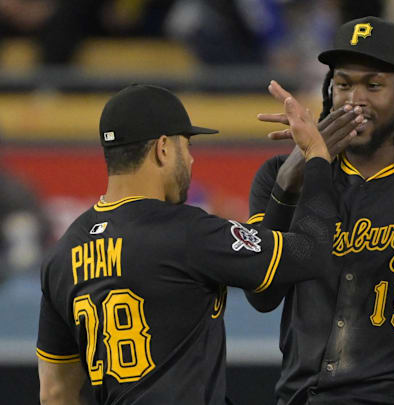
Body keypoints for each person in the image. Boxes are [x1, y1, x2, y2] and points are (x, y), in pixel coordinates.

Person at [244, 16, 394, 405]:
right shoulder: (281, 174)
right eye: (343, 84)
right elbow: (262, 295)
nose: (354, 99)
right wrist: (294, 179)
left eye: (373, 85)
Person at [36, 83, 337, 404]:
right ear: (163, 148)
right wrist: (317, 154)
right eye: (186, 145)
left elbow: (56, 392)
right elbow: (309, 252)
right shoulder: (187, 232)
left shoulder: (63, 254)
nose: (191, 160)